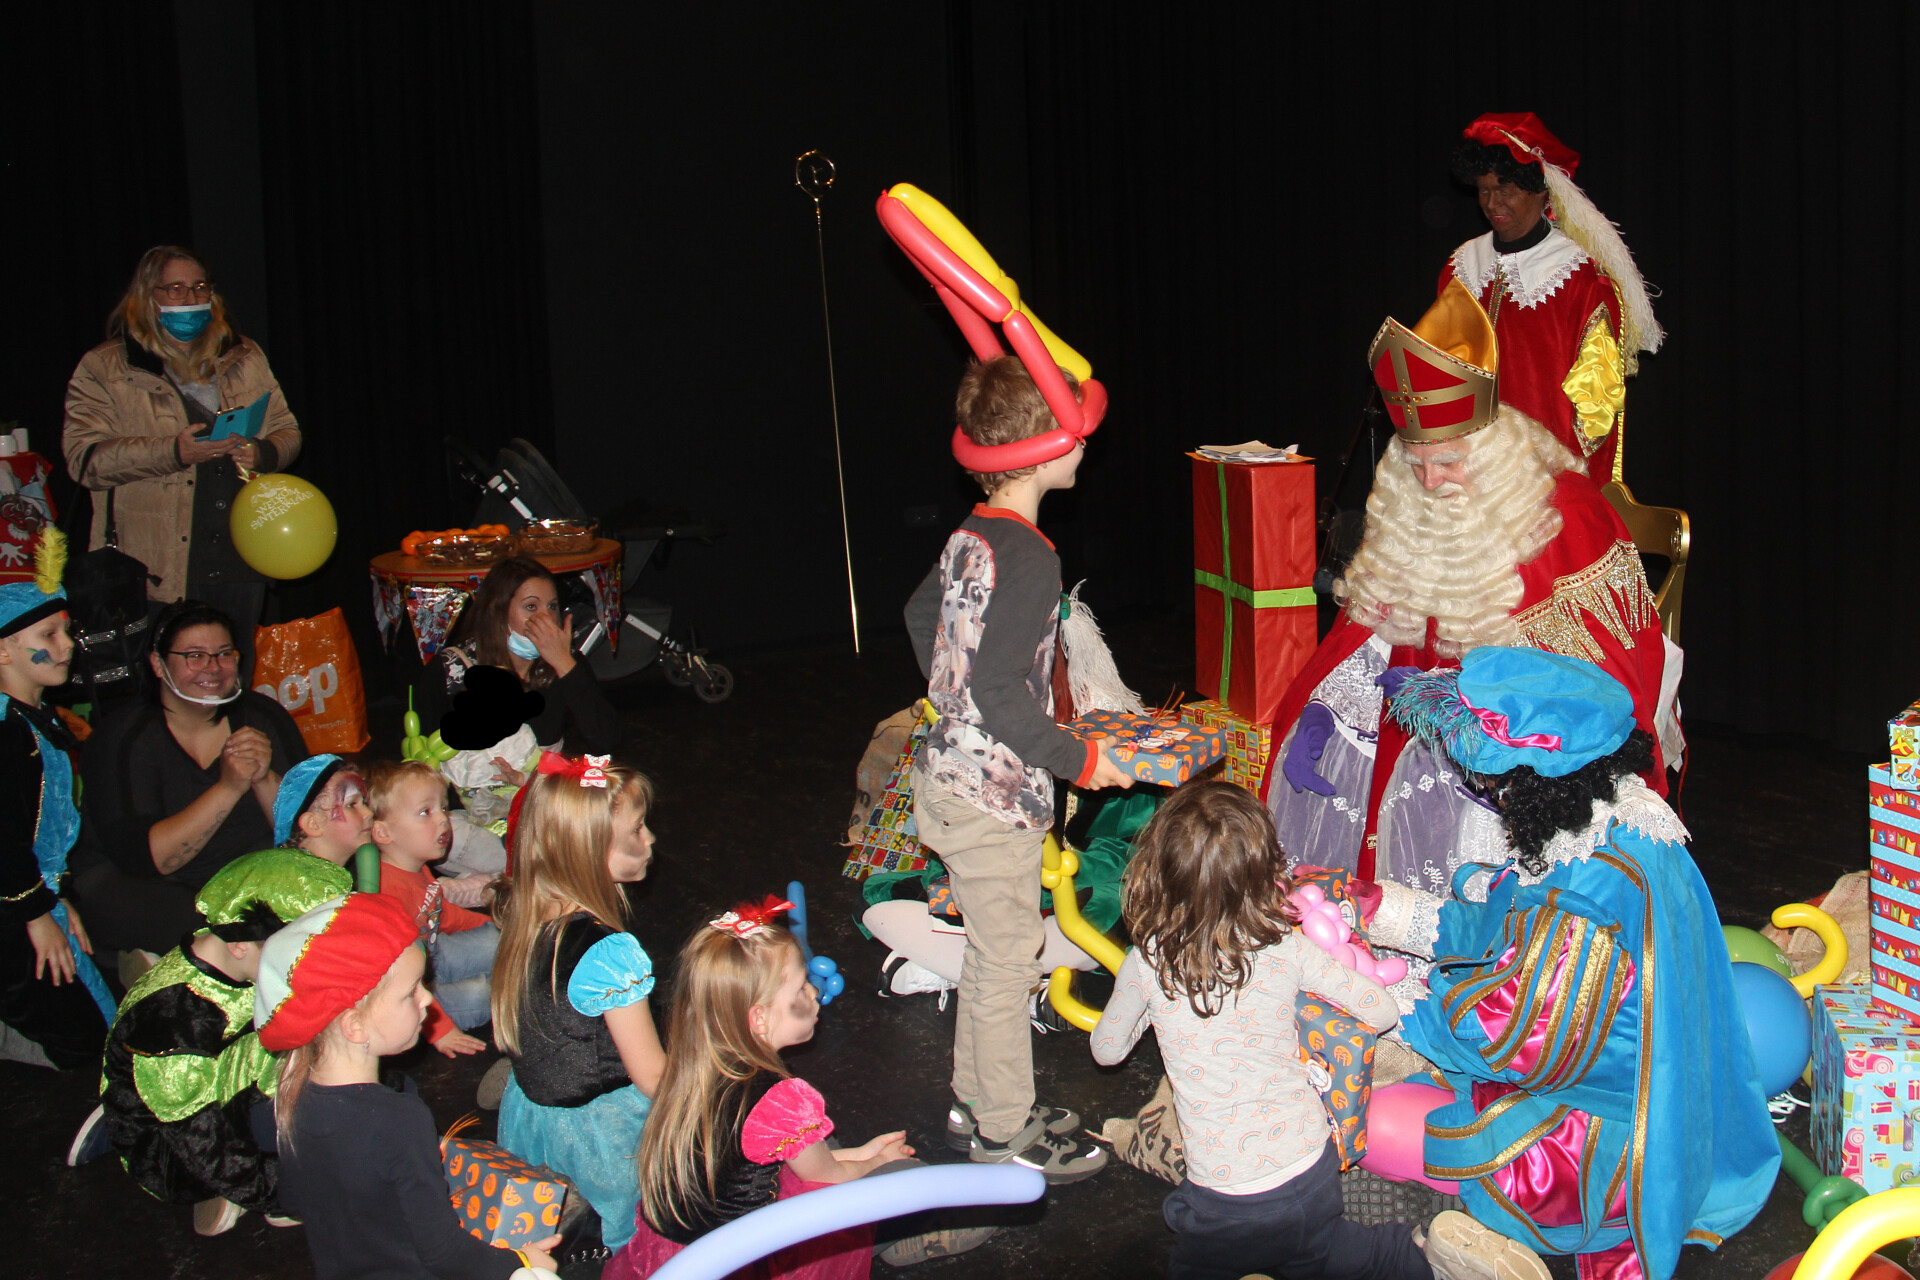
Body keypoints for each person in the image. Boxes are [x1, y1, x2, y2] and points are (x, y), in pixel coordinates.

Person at [1378, 647, 1778, 1280]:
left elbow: (1513, 1038)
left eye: (1499, 782)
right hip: (1665, 1098)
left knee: (1389, 1117)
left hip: (1606, 1137)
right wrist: (1388, 911)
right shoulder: (1619, 824)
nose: (1493, 796)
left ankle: (1490, 1242)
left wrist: (1395, 1007)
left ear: (1538, 782)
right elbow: (1507, 918)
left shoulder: (1590, 893)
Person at [1263, 283, 1665, 899]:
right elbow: (1370, 639)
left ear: (1491, 448)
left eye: (1448, 461)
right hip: (1407, 755)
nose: (1430, 482)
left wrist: (1480, 725)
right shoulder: (1409, 505)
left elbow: (1607, 691)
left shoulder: (1566, 519)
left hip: (1516, 783)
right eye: (1415, 461)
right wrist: (1325, 709)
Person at [1090, 781, 1545, 1280]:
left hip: (1227, 1197)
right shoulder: (1284, 947)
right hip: (1313, 1167)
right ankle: (1419, 1254)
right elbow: (1381, 1011)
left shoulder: (1148, 963)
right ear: (1265, 871)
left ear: (1156, 870)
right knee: (1323, 1255)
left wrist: (1151, 1015)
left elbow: (1107, 1050)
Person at [902, 355, 1132, 1182]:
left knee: (989, 955)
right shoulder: (1032, 556)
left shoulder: (972, 532)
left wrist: (950, 693)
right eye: (1075, 431)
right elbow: (999, 689)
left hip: (947, 777)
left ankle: (974, 1100)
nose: (1086, 445)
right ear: (1042, 451)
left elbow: (921, 614)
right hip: (990, 798)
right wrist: (1081, 760)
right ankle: (1003, 1129)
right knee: (1008, 963)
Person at [609, 905, 993, 1278]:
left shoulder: (690, 1067)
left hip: (670, 1254)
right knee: (904, 1174)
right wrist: (876, 1163)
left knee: (827, 1141)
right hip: (746, 1260)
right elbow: (828, 1178)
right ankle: (903, 1234)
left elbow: (745, 1160)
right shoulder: (778, 1100)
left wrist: (860, 1153)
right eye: (799, 987)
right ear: (759, 1018)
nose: (812, 991)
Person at [261, 892, 562, 1278]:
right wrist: (521, 1262)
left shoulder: (291, 1097)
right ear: (355, 1026)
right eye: (411, 992)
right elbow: (444, 1253)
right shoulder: (398, 1118)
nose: (427, 999)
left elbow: (293, 1200)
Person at [88, 847, 351, 1236]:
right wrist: (287, 1193)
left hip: (220, 1075)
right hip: (175, 1149)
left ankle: (138, 1088)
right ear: (240, 945)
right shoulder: (174, 1024)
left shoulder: (235, 954)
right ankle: (224, 1189)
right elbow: (207, 1150)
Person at [62, 245, 303, 654]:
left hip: (239, 560)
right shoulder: (106, 367)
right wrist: (173, 452)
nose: (190, 298)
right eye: (175, 288)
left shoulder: (243, 355)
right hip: (157, 570)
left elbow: (288, 431)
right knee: (165, 681)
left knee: (230, 677)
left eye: (199, 287)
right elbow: (84, 461)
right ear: (147, 296)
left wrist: (262, 452)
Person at [490, 753, 664, 1249]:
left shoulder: (526, 916)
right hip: (600, 1138)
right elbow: (653, 1077)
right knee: (631, 1238)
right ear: (587, 852)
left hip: (533, 1116)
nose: (650, 838)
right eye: (637, 829)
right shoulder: (610, 955)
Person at [71, 600, 308, 962]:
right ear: (158, 664)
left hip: (244, 872)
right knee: (209, 932)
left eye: (224, 654)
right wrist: (228, 788)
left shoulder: (263, 717)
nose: (212, 668)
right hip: (146, 881)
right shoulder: (122, 738)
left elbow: (309, 831)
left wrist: (263, 779)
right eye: (194, 656)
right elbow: (145, 860)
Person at [1443, 112, 1662, 485]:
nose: (1492, 203)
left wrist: (1564, 475)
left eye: (1506, 189)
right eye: (1483, 190)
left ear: (1541, 190)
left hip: (1546, 476)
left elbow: (1596, 404)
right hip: (1469, 470)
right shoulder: (1461, 267)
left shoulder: (1581, 278)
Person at [413, 556, 621, 882]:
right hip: (470, 816)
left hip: (538, 806)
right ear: (498, 611)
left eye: (552, 607)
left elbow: (606, 737)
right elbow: (423, 765)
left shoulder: (563, 664)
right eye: (531, 607)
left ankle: (514, 878)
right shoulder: (452, 671)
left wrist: (565, 665)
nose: (544, 619)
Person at [0, 529, 114, 1068]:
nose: (67, 645)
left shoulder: (36, 718)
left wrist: (56, 898)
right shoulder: (7, 732)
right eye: (49, 634)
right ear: (3, 649)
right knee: (87, 1040)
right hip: (13, 908)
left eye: (67, 631)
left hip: (34, 895)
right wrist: (36, 915)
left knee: (100, 1018)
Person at [368, 758, 493, 1058]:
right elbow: (396, 979)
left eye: (444, 809)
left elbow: (443, 914)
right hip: (407, 986)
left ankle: (509, 980)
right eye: (426, 812)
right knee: (479, 995)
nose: (442, 820)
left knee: (497, 937)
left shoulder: (416, 867)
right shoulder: (387, 894)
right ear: (383, 833)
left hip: (433, 954)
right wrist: (441, 1031)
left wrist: (489, 925)